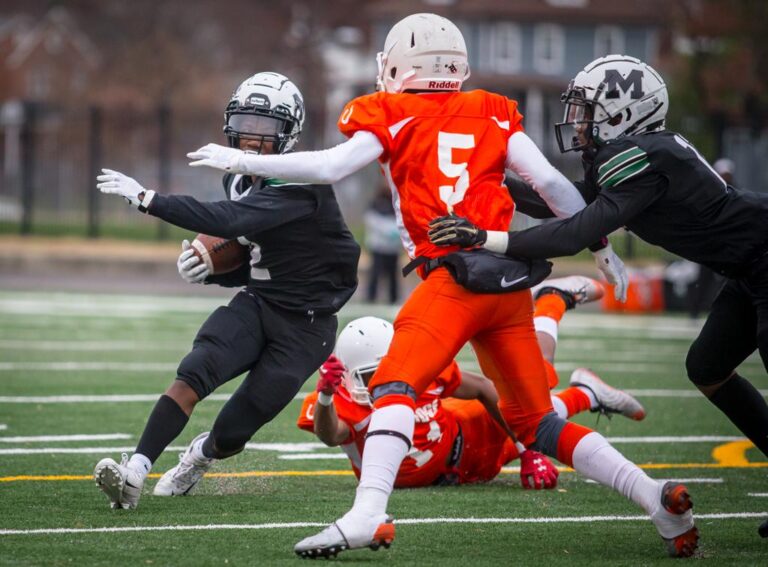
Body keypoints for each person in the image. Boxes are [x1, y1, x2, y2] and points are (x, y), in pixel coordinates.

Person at [185, 16, 696, 559]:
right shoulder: (492, 111)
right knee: (538, 419)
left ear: (399, 65)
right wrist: (602, 249)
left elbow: (332, 167)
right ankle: (656, 499)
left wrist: (242, 159)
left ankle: (366, 514)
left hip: (453, 280)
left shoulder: (391, 113)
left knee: (393, 384)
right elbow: (549, 184)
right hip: (507, 281)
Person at [428, 53, 768, 538]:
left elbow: (573, 233)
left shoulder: (640, 157)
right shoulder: (636, 155)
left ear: (625, 112)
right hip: (748, 267)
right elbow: (566, 202)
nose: (578, 122)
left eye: (588, 110)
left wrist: (486, 237)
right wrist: (486, 181)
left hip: (763, 256)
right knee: (708, 368)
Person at [92, 72, 360, 510]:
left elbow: (229, 223)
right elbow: (259, 260)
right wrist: (211, 273)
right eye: (246, 123)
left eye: (266, 127)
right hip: (259, 304)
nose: (252, 138)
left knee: (235, 428)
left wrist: (148, 199)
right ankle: (134, 472)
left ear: (288, 133)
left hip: (306, 328)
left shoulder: (301, 182)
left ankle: (199, 457)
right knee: (193, 372)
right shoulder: (237, 181)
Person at [297, 277, 645, 491]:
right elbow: (331, 434)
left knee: (535, 393)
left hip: (469, 433)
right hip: (461, 468)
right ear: (346, 376)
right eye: (372, 376)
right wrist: (325, 397)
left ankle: (553, 300)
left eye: (386, 369)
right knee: (543, 412)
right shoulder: (338, 398)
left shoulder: (419, 367)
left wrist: (528, 453)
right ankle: (586, 393)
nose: (384, 382)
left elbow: (483, 388)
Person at [364, 184, 401, 303]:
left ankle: (393, 298)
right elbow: (371, 220)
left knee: (393, 275)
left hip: (392, 248)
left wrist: (395, 232)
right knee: (375, 273)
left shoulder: (396, 204)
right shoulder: (375, 204)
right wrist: (387, 231)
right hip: (378, 246)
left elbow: (401, 220)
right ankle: (371, 297)